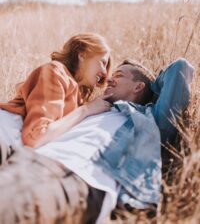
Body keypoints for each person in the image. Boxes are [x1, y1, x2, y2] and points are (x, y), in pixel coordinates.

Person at [0, 58, 194, 224]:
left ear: (138, 86)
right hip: (28, 157)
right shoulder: (93, 108)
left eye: (119, 75)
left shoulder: (148, 120)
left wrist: (150, 85)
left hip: (72, 175)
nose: (109, 78)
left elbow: (180, 69)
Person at [0, 33, 111, 148]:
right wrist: (87, 110)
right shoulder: (56, 72)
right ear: (82, 55)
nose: (104, 72)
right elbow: (36, 137)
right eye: (102, 62)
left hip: (12, 145)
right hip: (5, 132)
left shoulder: (78, 96)